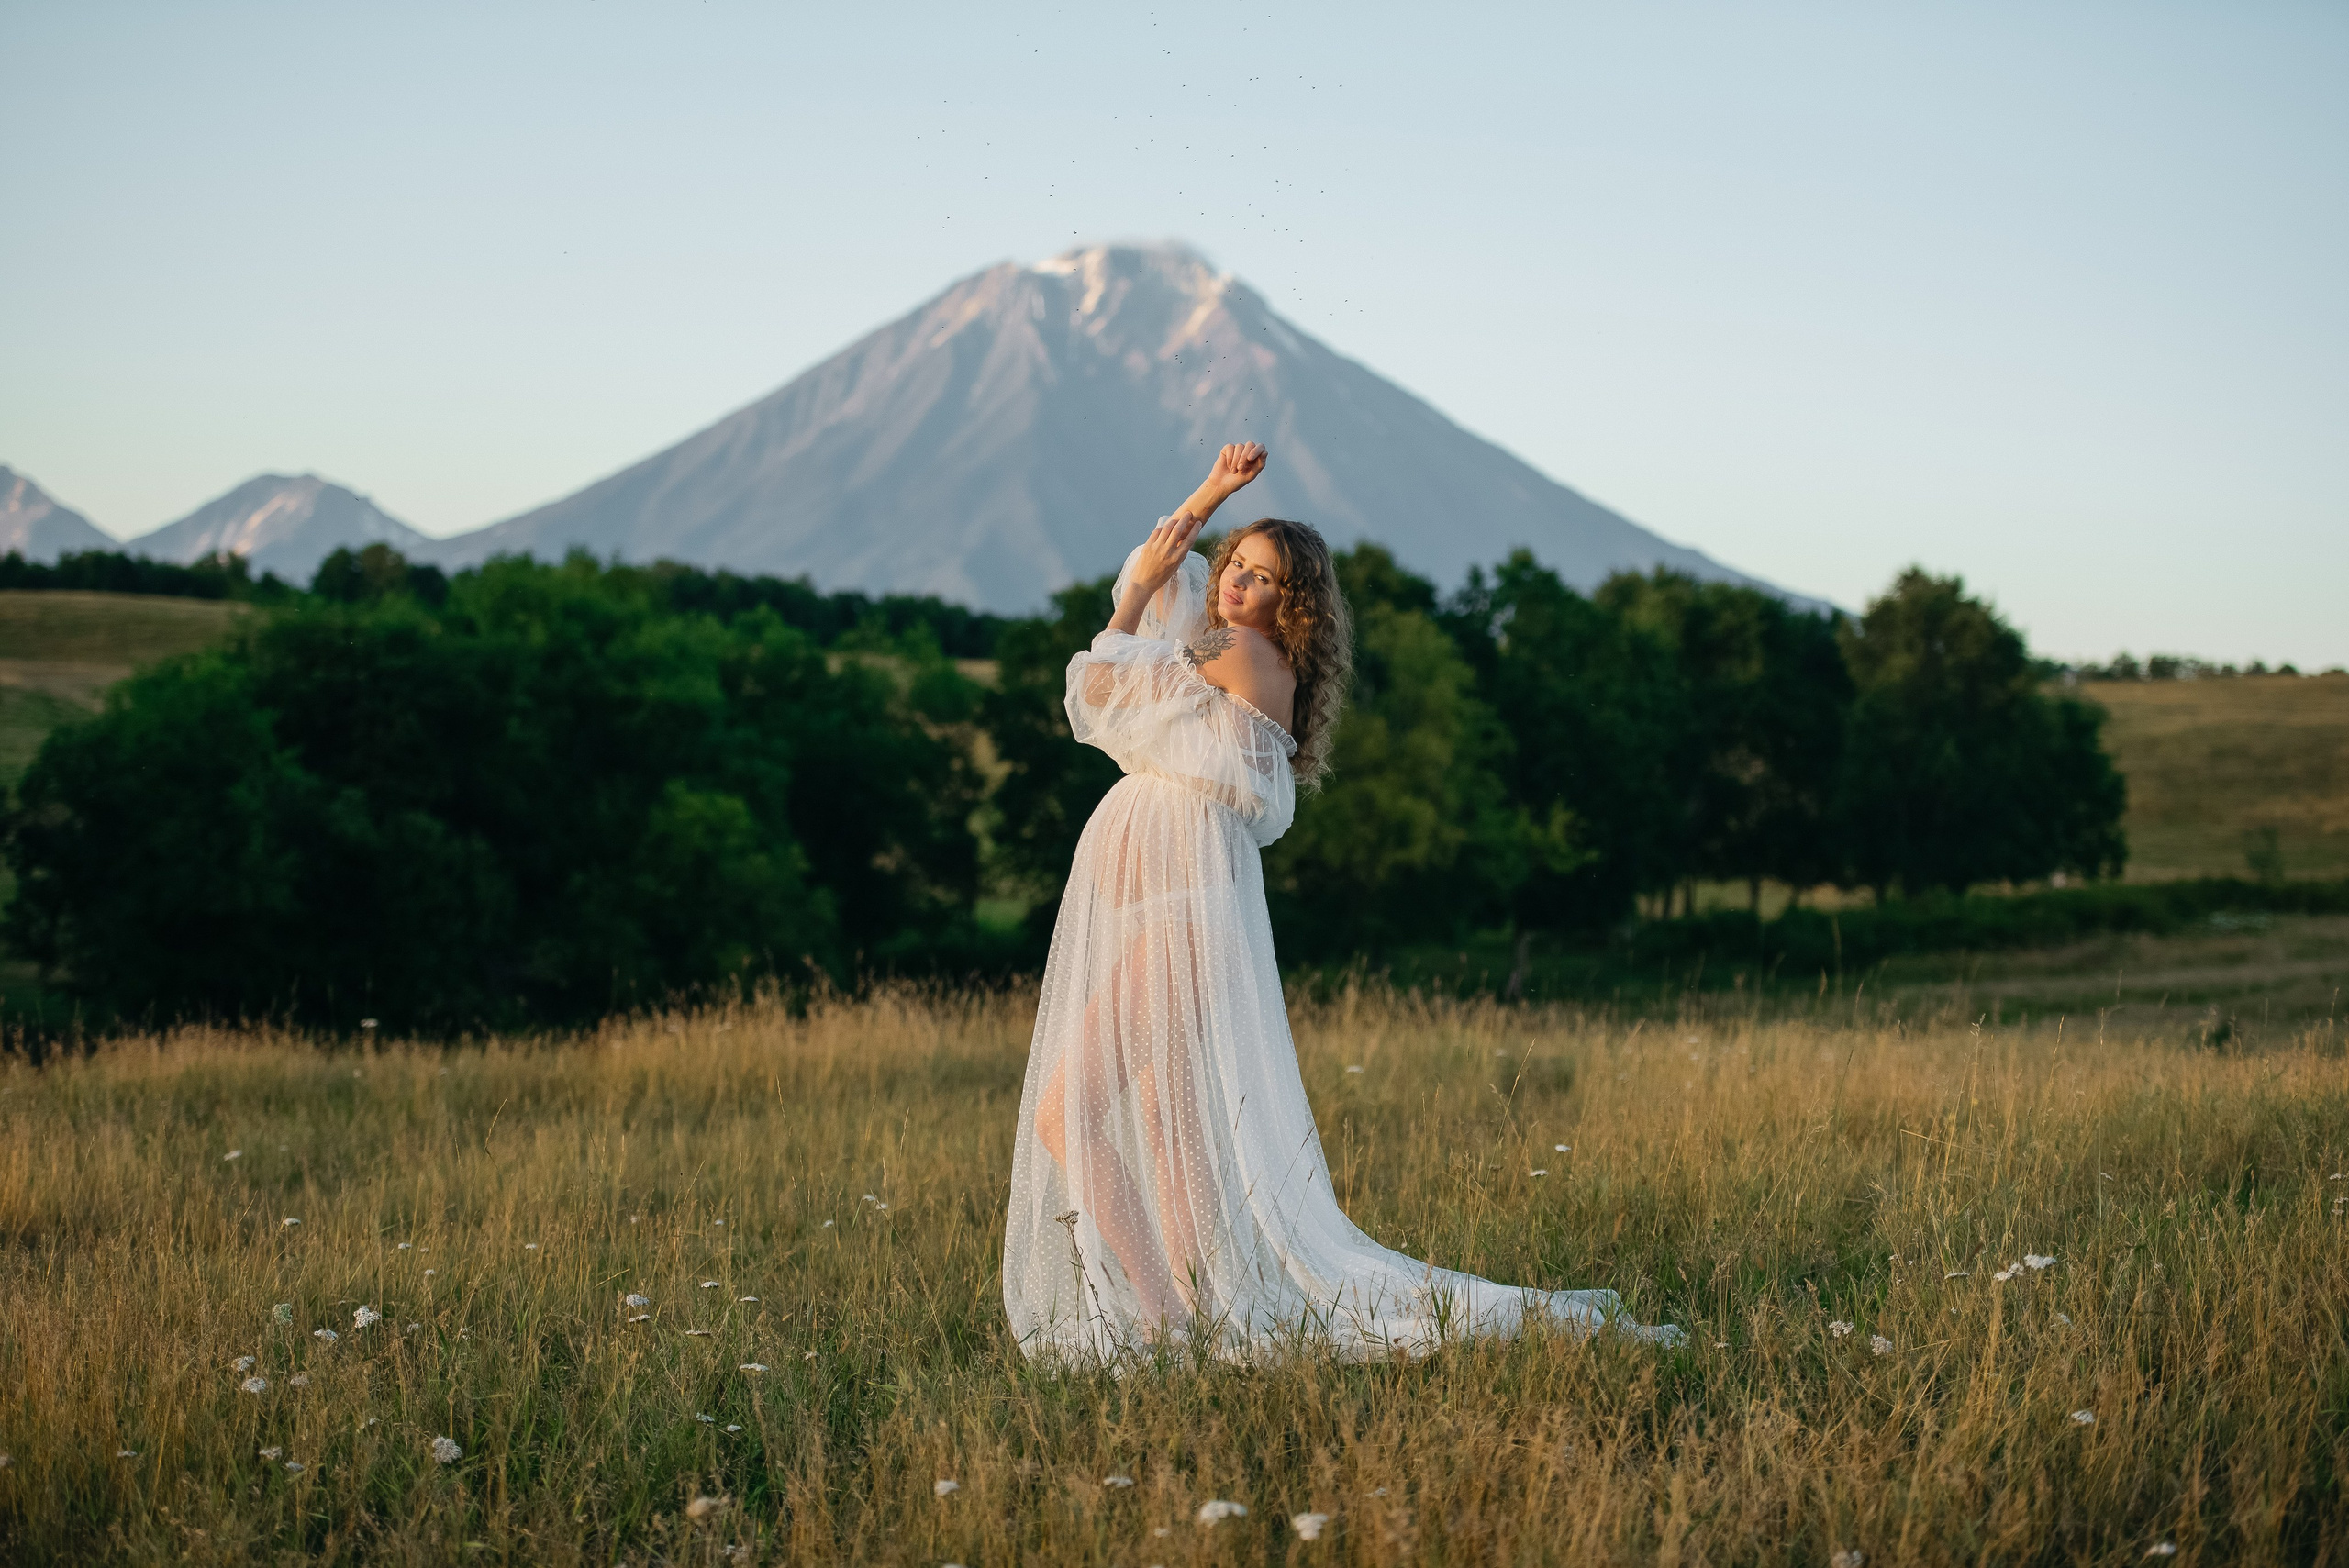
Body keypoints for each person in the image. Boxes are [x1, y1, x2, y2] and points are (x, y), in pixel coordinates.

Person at [1001, 441, 1682, 1359]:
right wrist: (1207, 498)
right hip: (1176, 914)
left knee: (1068, 1110)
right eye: (1234, 567)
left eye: (1261, 578)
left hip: (1182, 918)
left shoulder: (1235, 650)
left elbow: (1106, 676)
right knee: (1166, 1122)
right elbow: (1159, 593)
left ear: (1293, 605)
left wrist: (1138, 589)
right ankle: (1197, 1313)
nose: (1236, 586)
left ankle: (1169, 1319)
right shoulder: (1222, 648)